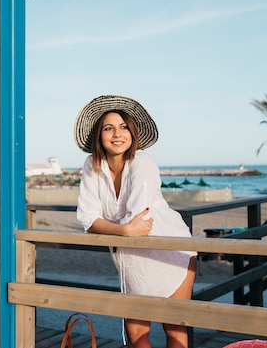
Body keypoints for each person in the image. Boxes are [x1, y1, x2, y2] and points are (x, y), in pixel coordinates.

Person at [74, 94, 197, 348]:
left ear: (133, 133)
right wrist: (123, 230)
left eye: (124, 127)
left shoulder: (143, 161)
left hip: (170, 251)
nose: (117, 134)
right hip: (129, 258)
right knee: (136, 332)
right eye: (108, 128)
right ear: (99, 135)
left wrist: (119, 228)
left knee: (174, 327)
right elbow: (87, 217)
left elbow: (137, 217)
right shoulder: (92, 164)